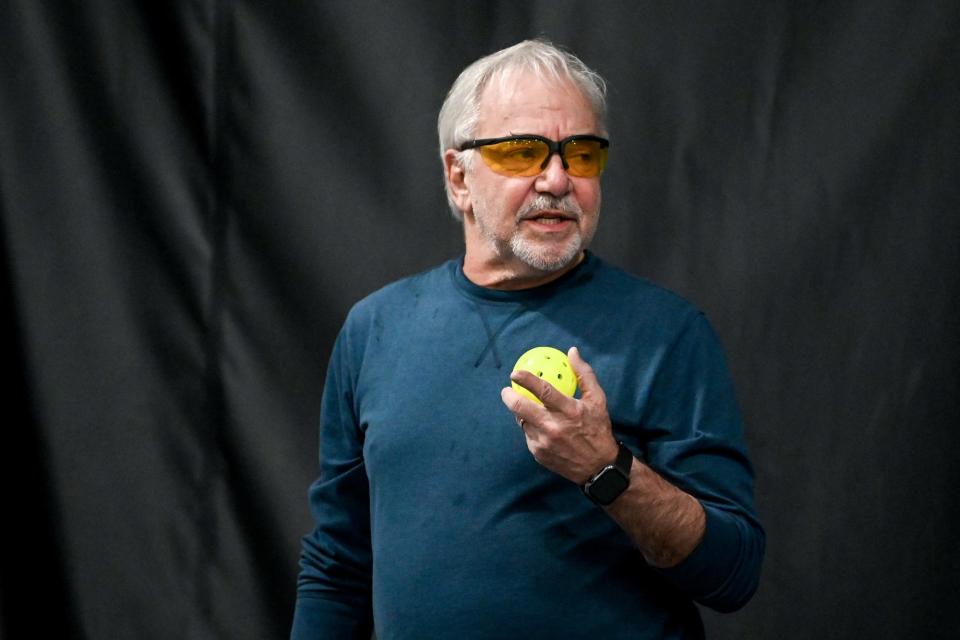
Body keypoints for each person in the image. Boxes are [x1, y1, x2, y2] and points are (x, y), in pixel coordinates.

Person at [291, 39, 764, 640]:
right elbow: (338, 565)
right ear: (458, 177)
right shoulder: (375, 330)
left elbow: (734, 573)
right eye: (522, 153)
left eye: (583, 154)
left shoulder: (667, 335)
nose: (559, 178)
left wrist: (606, 468)